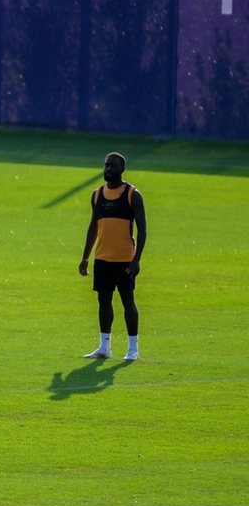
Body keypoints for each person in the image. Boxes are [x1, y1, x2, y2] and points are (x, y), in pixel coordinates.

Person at [79, 152, 147, 360]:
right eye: (106, 165)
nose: (108, 169)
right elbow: (93, 226)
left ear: (122, 169)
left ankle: (133, 349)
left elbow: (143, 230)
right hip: (102, 259)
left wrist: (136, 259)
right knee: (104, 302)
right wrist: (85, 257)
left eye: (113, 166)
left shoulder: (132, 195)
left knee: (128, 301)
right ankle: (104, 347)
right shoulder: (97, 195)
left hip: (125, 258)